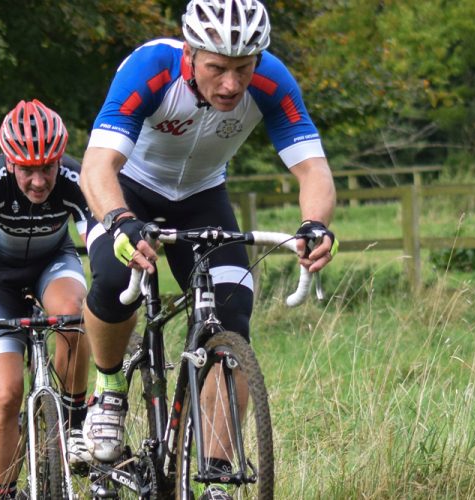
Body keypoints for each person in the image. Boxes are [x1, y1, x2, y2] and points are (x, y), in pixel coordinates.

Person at [78, 0, 336, 498]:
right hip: (129, 192)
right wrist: (120, 221)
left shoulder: (272, 80)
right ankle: (109, 390)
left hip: (202, 198)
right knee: (113, 279)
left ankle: (216, 475)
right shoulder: (150, 67)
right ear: (191, 52)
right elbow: (97, 167)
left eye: (243, 69)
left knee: (234, 313)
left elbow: (313, 169)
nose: (231, 85)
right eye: (217, 68)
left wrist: (314, 225)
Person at [0, 99, 92, 498]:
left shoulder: (73, 177)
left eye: (47, 167)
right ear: (10, 162)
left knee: (73, 315)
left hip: (53, 263)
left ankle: (73, 420)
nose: (39, 180)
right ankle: (4, 493)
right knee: (8, 392)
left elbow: (97, 241)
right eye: (28, 169)